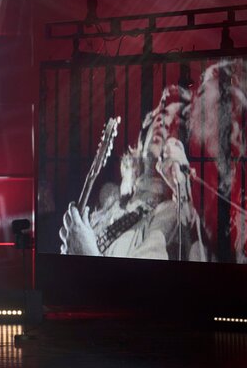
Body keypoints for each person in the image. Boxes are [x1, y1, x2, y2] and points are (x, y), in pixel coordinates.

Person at [60, 85, 209, 261]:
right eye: (161, 115)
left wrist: (86, 254)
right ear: (143, 137)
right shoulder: (115, 205)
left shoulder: (171, 214)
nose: (164, 123)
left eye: (176, 124)